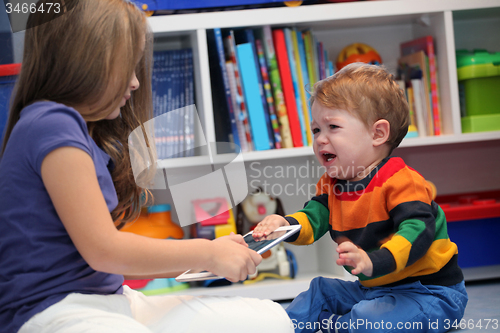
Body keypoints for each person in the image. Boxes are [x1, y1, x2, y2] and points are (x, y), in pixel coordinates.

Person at [0, 1, 293, 332]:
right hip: (53, 311)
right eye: (128, 66)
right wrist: (207, 253)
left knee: (270, 319)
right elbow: (104, 251)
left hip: (109, 300)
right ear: (86, 59)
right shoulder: (51, 124)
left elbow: (105, 262)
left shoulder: (72, 128)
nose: (137, 82)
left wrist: (216, 256)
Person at [253, 63, 468, 333]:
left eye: (333, 126)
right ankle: (283, 327)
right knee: (321, 291)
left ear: (377, 134)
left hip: (429, 293)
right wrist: (283, 226)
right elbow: (312, 219)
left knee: (370, 318)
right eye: (316, 130)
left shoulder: (402, 181)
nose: (320, 139)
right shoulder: (331, 185)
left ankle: (343, 326)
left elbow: (418, 233)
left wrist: (372, 261)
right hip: (373, 290)